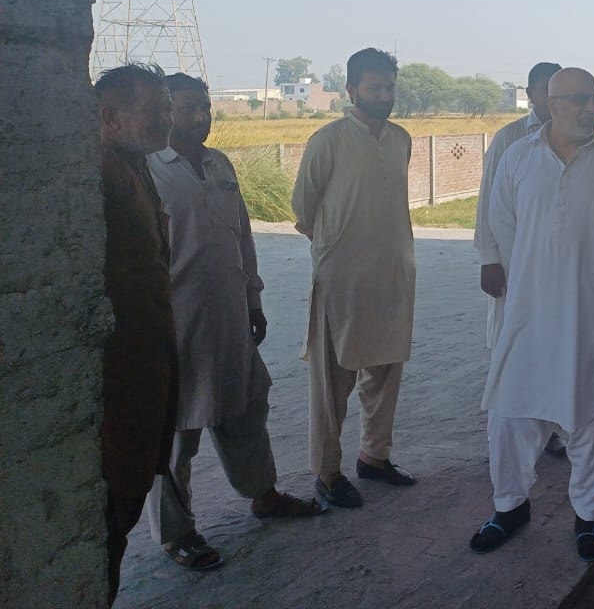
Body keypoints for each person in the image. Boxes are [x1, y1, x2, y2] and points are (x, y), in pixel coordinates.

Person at [470, 68, 594, 562]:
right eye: (579, 99)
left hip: (593, 315)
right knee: (511, 414)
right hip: (527, 313)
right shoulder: (518, 158)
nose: (591, 108)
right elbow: (502, 223)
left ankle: (589, 518)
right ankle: (509, 507)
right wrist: (536, 270)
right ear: (552, 103)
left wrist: (586, 270)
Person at [145, 73, 319, 571]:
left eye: (205, 107)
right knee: (176, 433)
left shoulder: (219, 164)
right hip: (178, 325)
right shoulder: (148, 170)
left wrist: (253, 301)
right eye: (186, 108)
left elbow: (242, 237)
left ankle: (263, 494)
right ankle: (177, 535)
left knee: (246, 408)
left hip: (230, 317)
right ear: (165, 112)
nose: (200, 117)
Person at [292, 48, 417, 509]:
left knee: (385, 371)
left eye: (388, 88)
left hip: (393, 274)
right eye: (374, 88)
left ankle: (374, 456)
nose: (383, 96)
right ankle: (327, 473)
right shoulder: (328, 141)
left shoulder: (401, 139)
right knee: (333, 381)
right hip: (342, 281)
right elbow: (304, 209)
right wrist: (336, 250)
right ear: (351, 90)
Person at [96, 64, 179, 605]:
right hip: (119, 380)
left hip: (146, 366)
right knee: (107, 518)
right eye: (154, 111)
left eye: (167, 109)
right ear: (110, 117)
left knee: (120, 512)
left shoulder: (135, 166)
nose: (166, 121)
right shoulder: (99, 174)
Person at [474, 61, 567, 457]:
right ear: (530, 95)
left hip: (560, 265)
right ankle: (508, 431)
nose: (554, 99)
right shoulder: (510, 139)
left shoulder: (576, 140)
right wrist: (489, 258)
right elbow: (487, 203)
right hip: (514, 262)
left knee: (556, 345)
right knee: (512, 347)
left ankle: (549, 430)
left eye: (560, 91)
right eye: (546, 90)